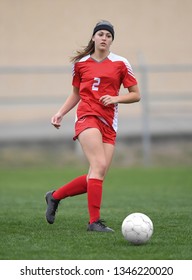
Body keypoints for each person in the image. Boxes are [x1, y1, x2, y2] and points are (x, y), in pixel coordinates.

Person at [45, 20, 140, 232]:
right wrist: (60, 113)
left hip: (109, 123)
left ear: (112, 40)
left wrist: (116, 99)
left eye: (108, 35)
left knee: (97, 175)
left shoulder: (121, 63)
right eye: (101, 34)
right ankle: (94, 222)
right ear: (94, 37)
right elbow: (76, 94)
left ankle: (55, 196)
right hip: (87, 116)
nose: (104, 38)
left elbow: (136, 95)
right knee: (98, 166)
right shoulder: (80, 64)